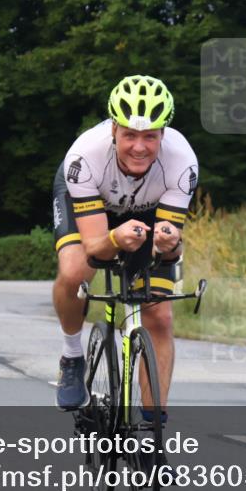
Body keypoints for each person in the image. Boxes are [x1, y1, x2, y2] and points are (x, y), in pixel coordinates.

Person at [52, 75, 198, 422]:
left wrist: (169, 242)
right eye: (130, 135)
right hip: (92, 204)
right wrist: (116, 239)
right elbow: (95, 249)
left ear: (163, 135)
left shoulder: (182, 163)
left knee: (159, 314)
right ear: (114, 130)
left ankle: (151, 429)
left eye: (150, 136)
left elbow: (170, 249)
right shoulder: (84, 157)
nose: (140, 147)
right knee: (74, 270)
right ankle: (72, 356)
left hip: (148, 210)